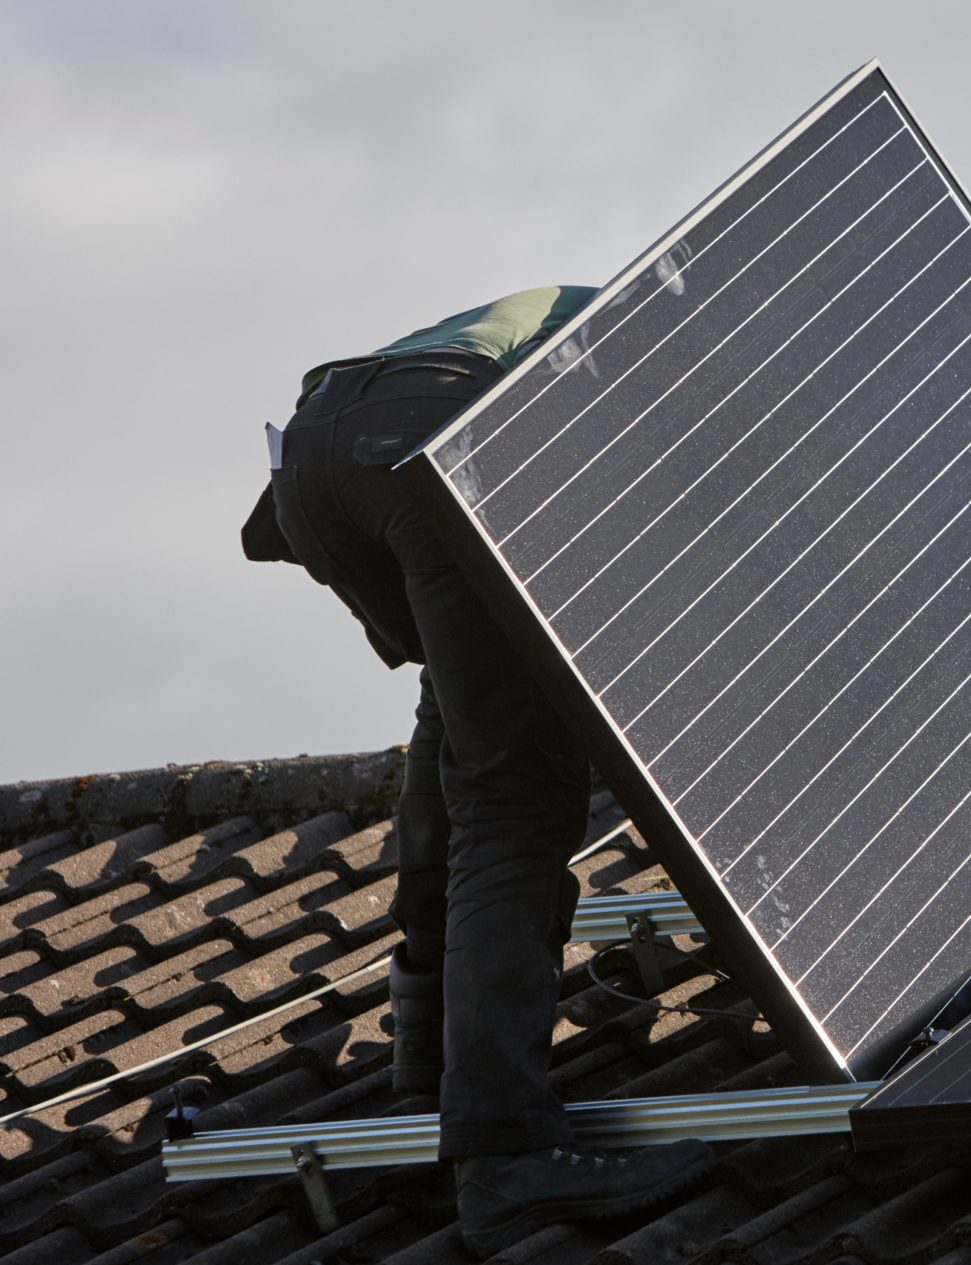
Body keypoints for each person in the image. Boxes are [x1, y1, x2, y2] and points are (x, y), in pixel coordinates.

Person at [242, 287, 713, 1257]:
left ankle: (424, 1057)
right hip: (440, 441)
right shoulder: (711, 341)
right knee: (520, 791)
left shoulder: (631, 303)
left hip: (318, 451)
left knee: (464, 711)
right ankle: (504, 1153)